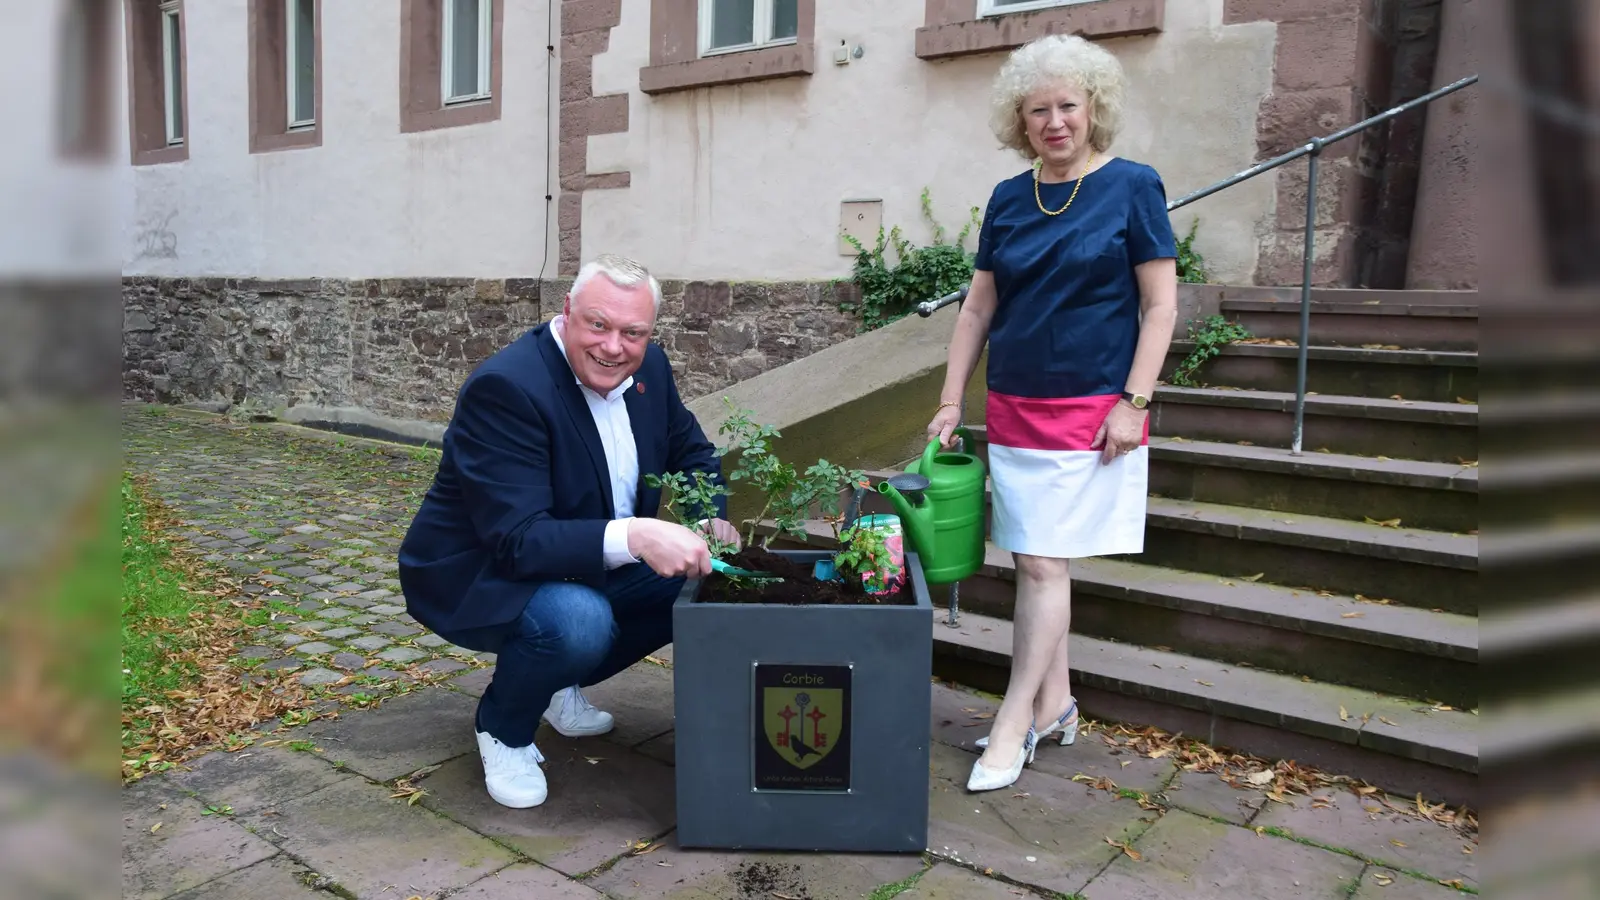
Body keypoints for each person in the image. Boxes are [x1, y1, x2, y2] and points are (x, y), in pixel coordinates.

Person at [925, 34, 1179, 793]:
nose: (1055, 121)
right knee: (1041, 556)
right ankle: (1058, 703)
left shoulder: (1133, 186)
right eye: (1039, 110)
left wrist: (1136, 402)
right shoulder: (1009, 198)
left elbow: (1160, 305)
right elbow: (976, 310)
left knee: (1040, 562)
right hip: (1015, 409)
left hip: (1093, 410)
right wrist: (949, 399)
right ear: (1021, 120)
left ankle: (1014, 720)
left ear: (1094, 107)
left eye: (1068, 105)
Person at [398, 254, 741, 809]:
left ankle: (553, 682)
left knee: (704, 579)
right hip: (480, 571)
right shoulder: (507, 388)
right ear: (567, 312)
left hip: (577, 561)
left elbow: (694, 452)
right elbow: (516, 539)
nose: (614, 347)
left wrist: (707, 516)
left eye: (633, 332)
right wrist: (636, 536)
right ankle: (504, 726)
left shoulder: (649, 368)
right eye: (598, 325)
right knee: (578, 622)